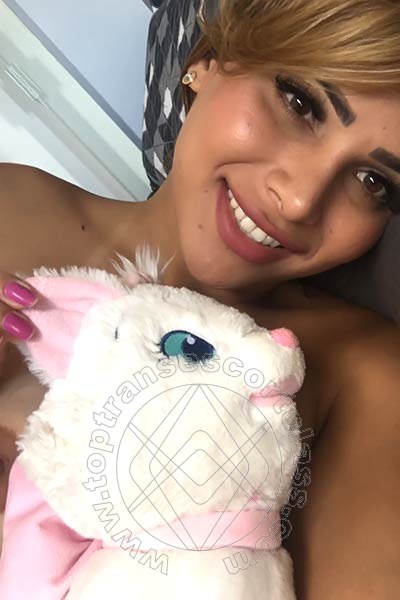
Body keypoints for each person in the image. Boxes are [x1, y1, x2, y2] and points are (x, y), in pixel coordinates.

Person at [0, 0, 399, 596]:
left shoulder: (364, 373)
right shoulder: (12, 204)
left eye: (373, 182)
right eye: (300, 103)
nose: (298, 201)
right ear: (207, 61)